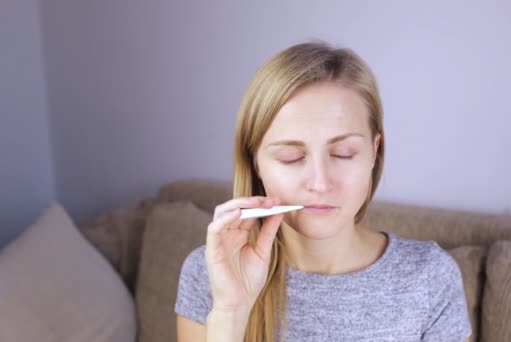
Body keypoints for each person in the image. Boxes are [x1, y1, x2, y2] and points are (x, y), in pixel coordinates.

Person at [174, 41, 471, 342]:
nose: (319, 182)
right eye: (291, 157)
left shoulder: (431, 278)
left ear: (374, 151)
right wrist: (230, 313)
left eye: (343, 153)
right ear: (256, 163)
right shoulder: (210, 274)